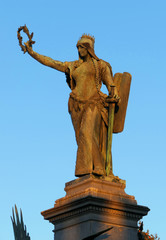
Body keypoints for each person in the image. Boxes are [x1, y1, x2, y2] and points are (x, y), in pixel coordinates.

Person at [23, 34, 118, 177]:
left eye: (82, 47)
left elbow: (111, 84)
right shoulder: (73, 66)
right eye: (78, 47)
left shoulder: (101, 65)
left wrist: (114, 93)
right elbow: (52, 63)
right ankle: (88, 170)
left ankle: (98, 167)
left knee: (88, 133)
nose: (79, 50)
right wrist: (32, 53)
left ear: (89, 48)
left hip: (94, 103)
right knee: (81, 138)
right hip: (75, 105)